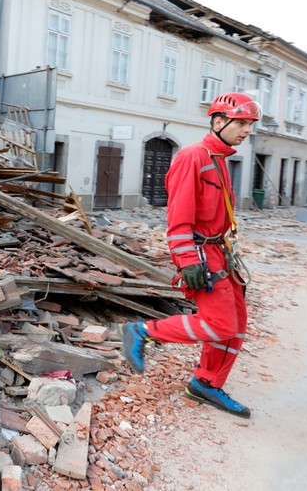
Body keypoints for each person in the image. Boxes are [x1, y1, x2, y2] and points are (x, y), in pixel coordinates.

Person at [121, 92, 263, 418]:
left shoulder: (220, 159)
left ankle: (206, 384)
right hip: (201, 253)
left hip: (219, 250)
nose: (246, 131)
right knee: (219, 323)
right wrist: (188, 262)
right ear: (218, 121)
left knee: (236, 324)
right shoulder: (191, 157)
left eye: (249, 124)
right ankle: (141, 331)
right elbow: (178, 220)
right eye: (241, 123)